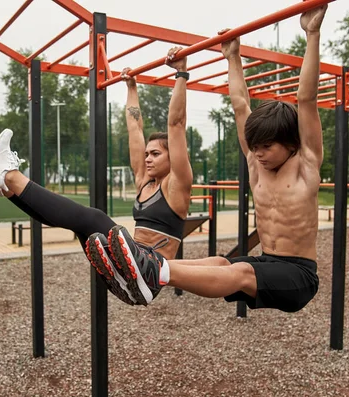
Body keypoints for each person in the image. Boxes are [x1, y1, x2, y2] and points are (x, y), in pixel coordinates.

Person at [90, 5, 327, 311]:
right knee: (219, 261)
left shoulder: (306, 163)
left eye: (267, 146)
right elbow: (241, 105)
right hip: (268, 260)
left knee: (239, 272)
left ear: (290, 142)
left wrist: (312, 33)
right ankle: (149, 273)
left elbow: (307, 99)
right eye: (254, 146)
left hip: (299, 276)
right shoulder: (257, 165)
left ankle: (150, 269)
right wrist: (232, 57)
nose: (256, 153)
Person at [0, 47, 193, 306]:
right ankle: (6, 186)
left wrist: (181, 72)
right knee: (81, 225)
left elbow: (176, 124)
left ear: (173, 158)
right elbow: (134, 127)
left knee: (94, 217)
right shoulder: (144, 181)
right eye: (147, 153)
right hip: (127, 272)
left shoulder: (177, 185)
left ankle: (10, 176)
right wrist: (131, 87)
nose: (147, 158)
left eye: (155, 154)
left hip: (150, 274)